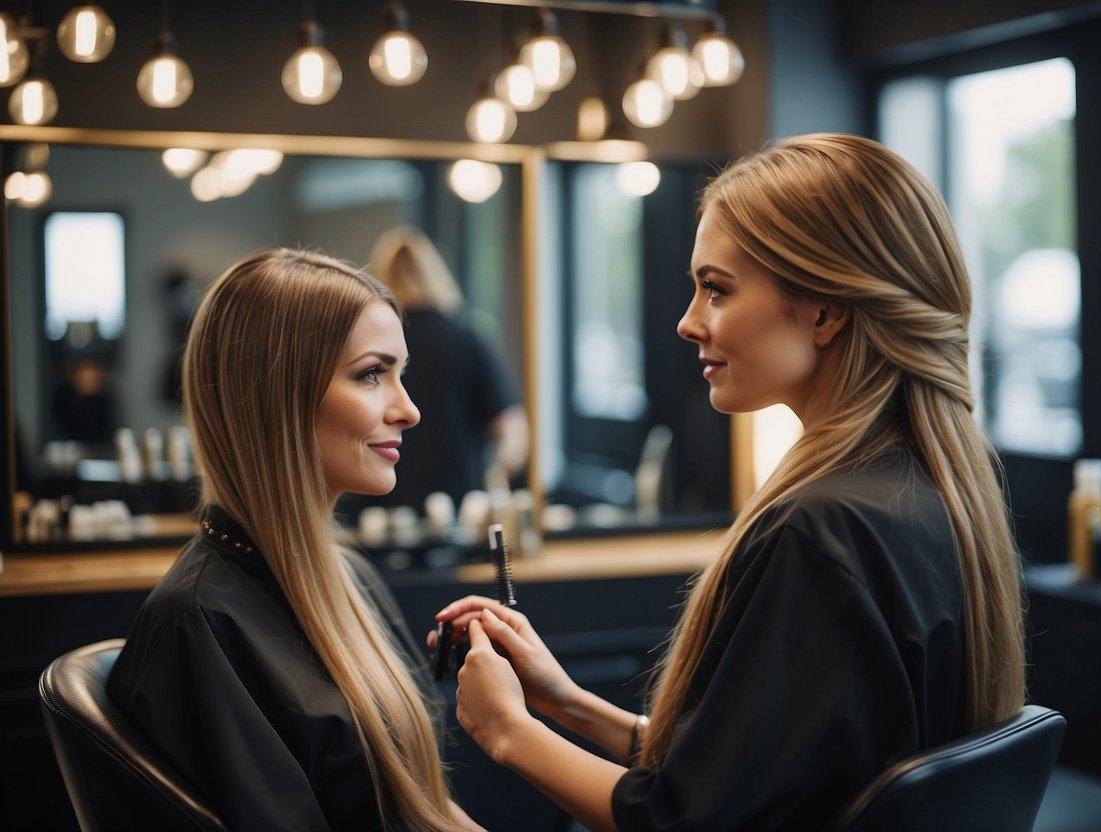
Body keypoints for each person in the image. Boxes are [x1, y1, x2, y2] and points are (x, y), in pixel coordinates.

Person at [434, 134, 1027, 830]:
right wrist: (565, 703)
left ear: (825, 310)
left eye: (715, 289)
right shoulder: (931, 496)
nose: (688, 322)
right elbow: (762, 781)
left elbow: (685, 822)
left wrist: (508, 730)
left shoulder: (820, 530)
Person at [107, 248, 482, 831]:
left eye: (399, 374)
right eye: (370, 375)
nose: (407, 409)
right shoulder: (201, 624)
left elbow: (420, 803)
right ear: (276, 395)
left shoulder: (346, 574)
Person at [356, 226, 528, 515]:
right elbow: (514, 435)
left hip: (379, 513)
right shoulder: (467, 340)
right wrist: (491, 481)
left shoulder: (368, 345)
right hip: (457, 510)